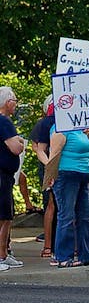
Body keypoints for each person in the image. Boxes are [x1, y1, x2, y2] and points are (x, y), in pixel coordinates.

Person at [46, 118, 89, 267]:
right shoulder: (61, 127)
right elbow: (54, 153)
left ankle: (85, 254)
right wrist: (51, 175)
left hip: (84, 175)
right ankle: (62, 256)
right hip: (66, 174)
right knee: (66, 216)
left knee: (85, 217)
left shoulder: (83, 129)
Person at [0, 87, 26, 271]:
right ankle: (0, 255)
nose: (16, 104)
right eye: (15, 100)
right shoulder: (4, 122)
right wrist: (19, 142)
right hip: (2, 174)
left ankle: (3, 254)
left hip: (6, 174)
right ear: (7, 102)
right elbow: (16, 147)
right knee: (3, 217)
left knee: (7, 215)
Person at [30, 96, 57, 259]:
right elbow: (36, 146)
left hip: (65, 164)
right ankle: (48, 245)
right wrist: (49, 165)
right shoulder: (44, 123)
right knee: (51, 204)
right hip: (49, 165)